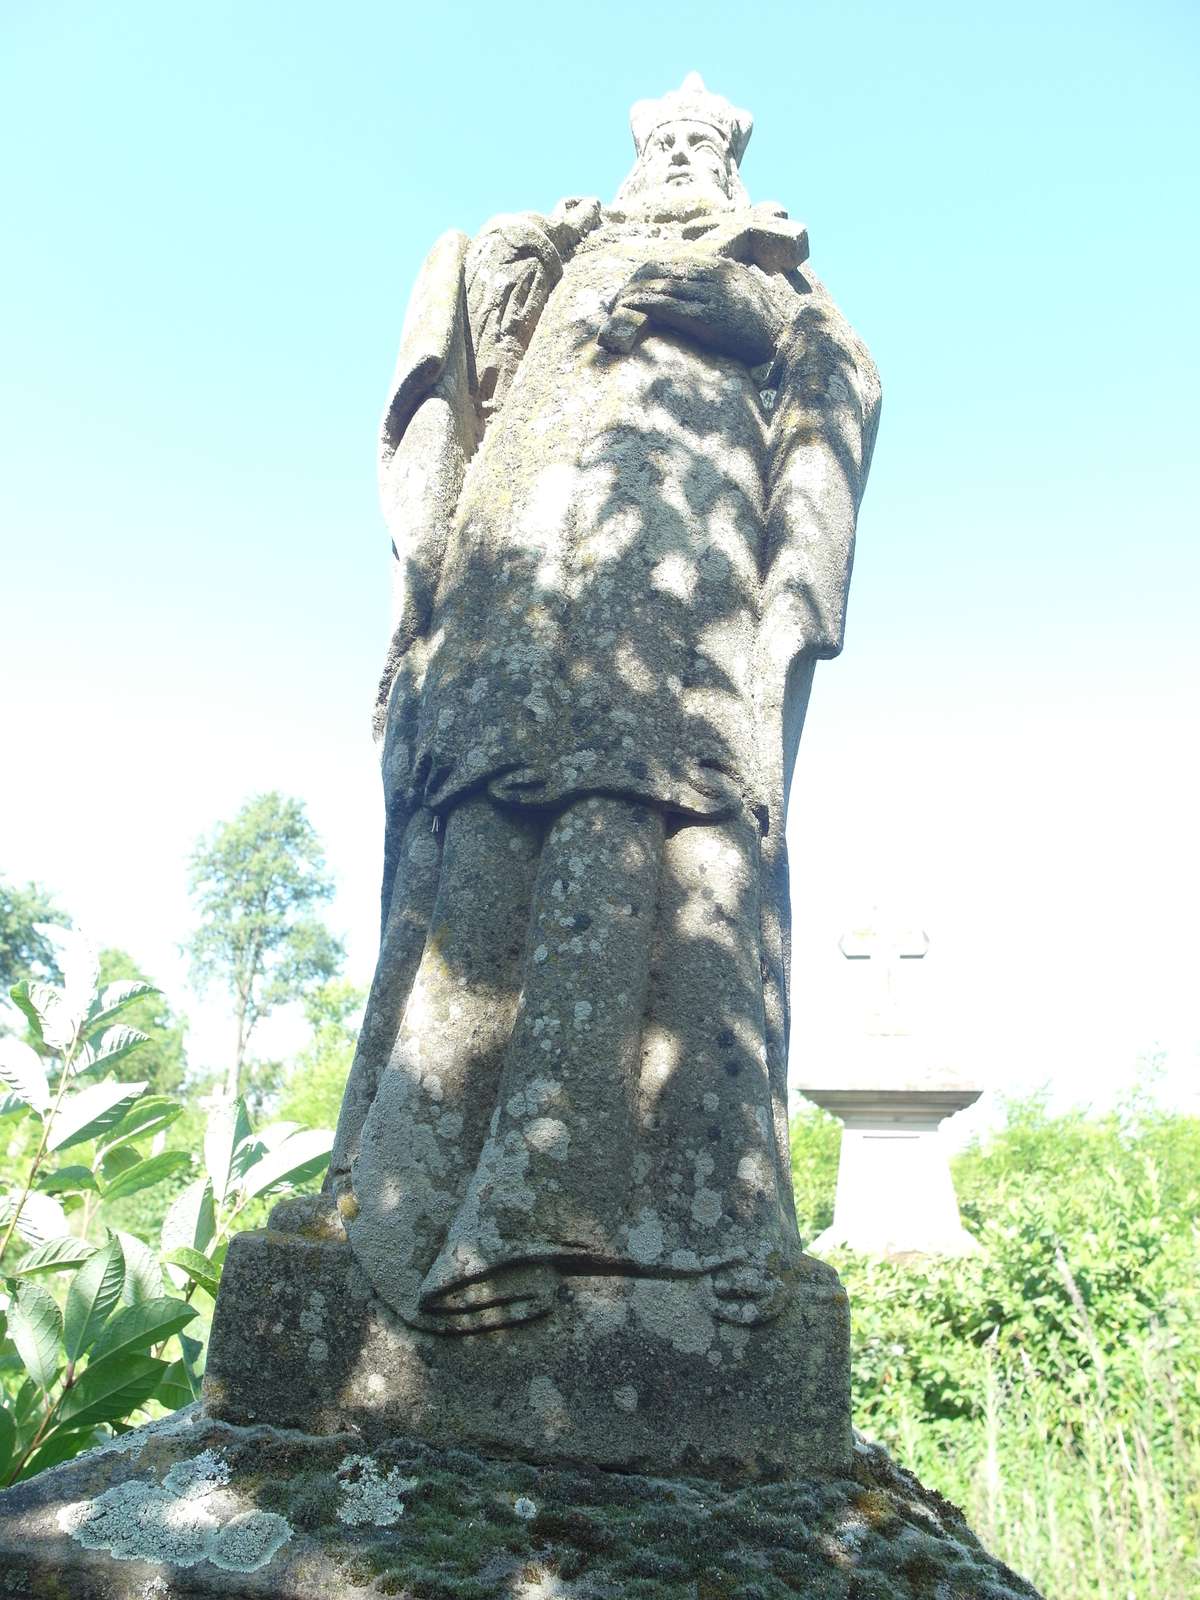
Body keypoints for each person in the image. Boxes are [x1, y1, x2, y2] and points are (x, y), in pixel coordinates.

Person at [326, 75, 881, 1334]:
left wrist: (755, 314)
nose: (682, 160)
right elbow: (474, 362)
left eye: (703, 146)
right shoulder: (579, 243)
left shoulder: (776, 272)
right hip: (521, 570)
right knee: (478, 809)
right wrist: (523, 253)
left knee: (651, 813)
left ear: (732, 167)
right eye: (665, 145)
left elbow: (846, 384)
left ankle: (619, 1217)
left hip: (677, 581)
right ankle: (408, 1188)